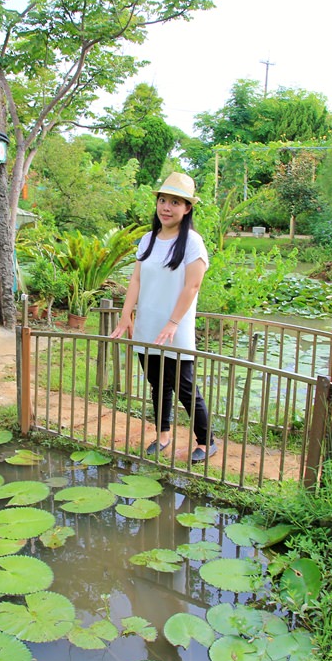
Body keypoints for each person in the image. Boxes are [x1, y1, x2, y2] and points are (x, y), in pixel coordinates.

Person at [109, 172, 218, 462]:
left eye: (174, 202)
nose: (166, 207)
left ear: (187, 208)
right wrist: (125, 317)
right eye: (162, 200)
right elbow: (136, 281)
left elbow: (192, 286)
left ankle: (206, 441)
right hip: (148, 326)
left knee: (185, 388)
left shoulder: (192, 242)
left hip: (175, 329)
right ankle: (164, 434)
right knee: (158, 384)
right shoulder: (148, 240)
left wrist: (173, 323)